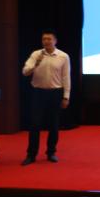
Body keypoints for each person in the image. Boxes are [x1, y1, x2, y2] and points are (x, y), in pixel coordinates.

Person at [21, 30, 71, 165]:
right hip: (38, 93)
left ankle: (51, 152)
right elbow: (25, 72)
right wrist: (35, 64)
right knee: (35, 124)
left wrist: (66, 97)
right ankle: (31, 155)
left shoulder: (63, 56)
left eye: (49, 39)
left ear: (55, 41)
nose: (46, 41)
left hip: (55, 93)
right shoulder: (36, 54)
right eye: (44, 39)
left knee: (53, 124)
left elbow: (66, 77)